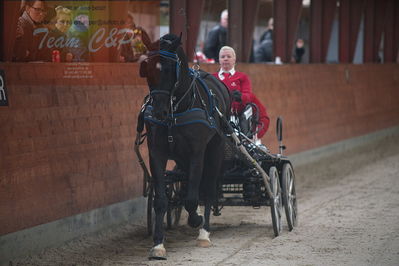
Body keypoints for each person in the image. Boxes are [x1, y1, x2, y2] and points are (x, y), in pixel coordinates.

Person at [213, 46, 270, 138]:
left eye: (228, 56)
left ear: (234, 59)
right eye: (223, 57)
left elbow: (248, 96)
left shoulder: (242, 77)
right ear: (219, 60)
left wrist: (241, 97)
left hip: (238, 121)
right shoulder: (212, 78)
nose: (225, 59)